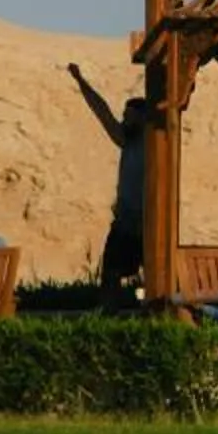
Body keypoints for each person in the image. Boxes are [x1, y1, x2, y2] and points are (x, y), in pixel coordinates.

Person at [65, 61, 153, 289]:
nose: (124, 120)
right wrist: (80, 81)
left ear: (144, 118)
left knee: (153, 275)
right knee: (111, 271)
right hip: (125, 221)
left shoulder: (153, 144)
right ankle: (108, 314)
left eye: (129, 116)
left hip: (147, 223)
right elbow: (102, 111)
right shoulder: (127, 140)